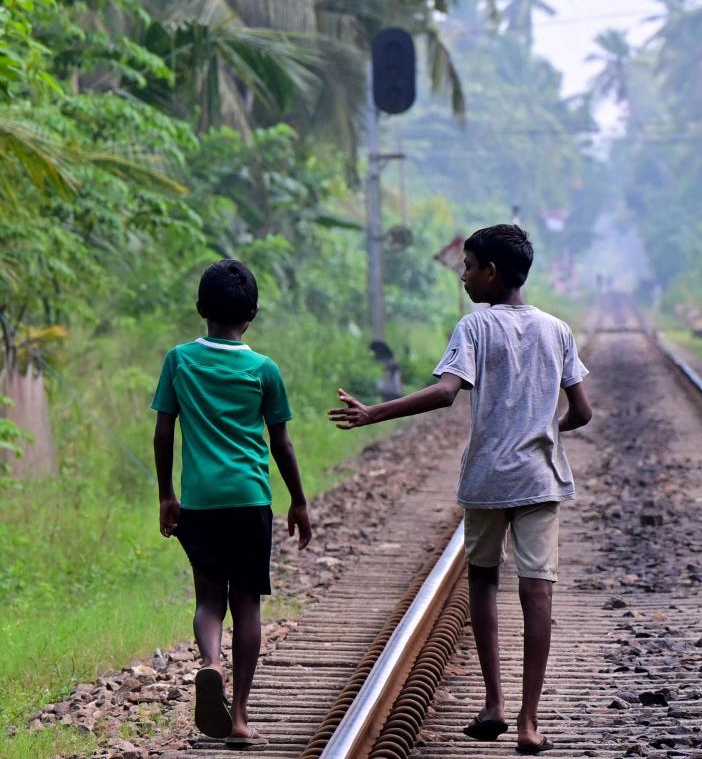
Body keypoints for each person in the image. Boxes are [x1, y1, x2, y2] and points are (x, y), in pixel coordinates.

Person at [330, 224, 592, 756]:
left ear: (491, 272)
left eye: (469, 267)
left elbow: (447, 393)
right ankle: (529, 721)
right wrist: (542, 428)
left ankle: (493, 701)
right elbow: (582, 412)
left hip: (488, 481)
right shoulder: (557, 330)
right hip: (539, 479)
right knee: (538, 590)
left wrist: (375, 412)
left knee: (484, 581)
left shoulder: (475, 328)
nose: (465, 276)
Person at [152, 259, 312, 746]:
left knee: (207, 599)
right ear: (253, 313)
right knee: (246, 605)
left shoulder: (179, 360)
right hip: (249, 500)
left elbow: (163, 433)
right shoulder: (264, 369)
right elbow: (281, 444)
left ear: (201, 308)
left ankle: (210, 664)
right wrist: (299, 502)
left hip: (200, 502)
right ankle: (240, 718)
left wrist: (166, 495)